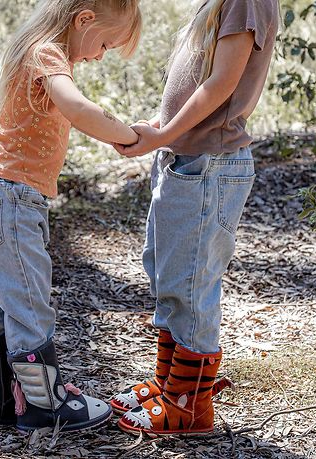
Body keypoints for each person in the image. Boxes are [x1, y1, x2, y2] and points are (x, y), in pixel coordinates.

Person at [0, 0, 141, 433]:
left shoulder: (36, 50)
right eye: (104, 44)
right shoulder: (48, 52)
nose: (98, 55)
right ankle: (44, 405)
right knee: (28, 305)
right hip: (12, 200)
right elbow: (77, 108)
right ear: (83, 20)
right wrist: (130, 136)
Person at [111, 0, 279, 436]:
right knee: (170, 277)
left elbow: (223, 81)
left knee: (190, 283)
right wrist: (165, 126)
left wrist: (165, 135)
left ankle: (190, 405)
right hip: (187, 159)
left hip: (210, 164)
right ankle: (171, 385)